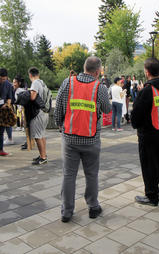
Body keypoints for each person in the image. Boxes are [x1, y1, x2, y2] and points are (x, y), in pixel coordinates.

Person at [54, 56, 111, 223]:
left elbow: (58, 111)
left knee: (68, 174)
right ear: (98, 71)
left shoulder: (68, 83)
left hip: (70, 138)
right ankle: (93, 207)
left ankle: (67, 211)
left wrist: (61, 127)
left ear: (84, 67)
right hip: (91, 138)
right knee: (92, 174)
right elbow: (107, 109)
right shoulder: (99, 87)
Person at [131, 57, 159, 206]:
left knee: (149, 165)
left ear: (147, 71)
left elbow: (135, 118)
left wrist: (139, 95)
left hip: (148, 134)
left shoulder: (148, 91)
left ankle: (152, 196)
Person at [28, 67, 50, 165]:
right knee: (42, 135)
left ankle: (43, 157)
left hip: (38, 113)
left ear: (30, 75)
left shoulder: (35, 83)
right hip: (45, 112)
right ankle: (43, 154)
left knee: (37, 136)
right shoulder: (42, 82)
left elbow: (32, 96)